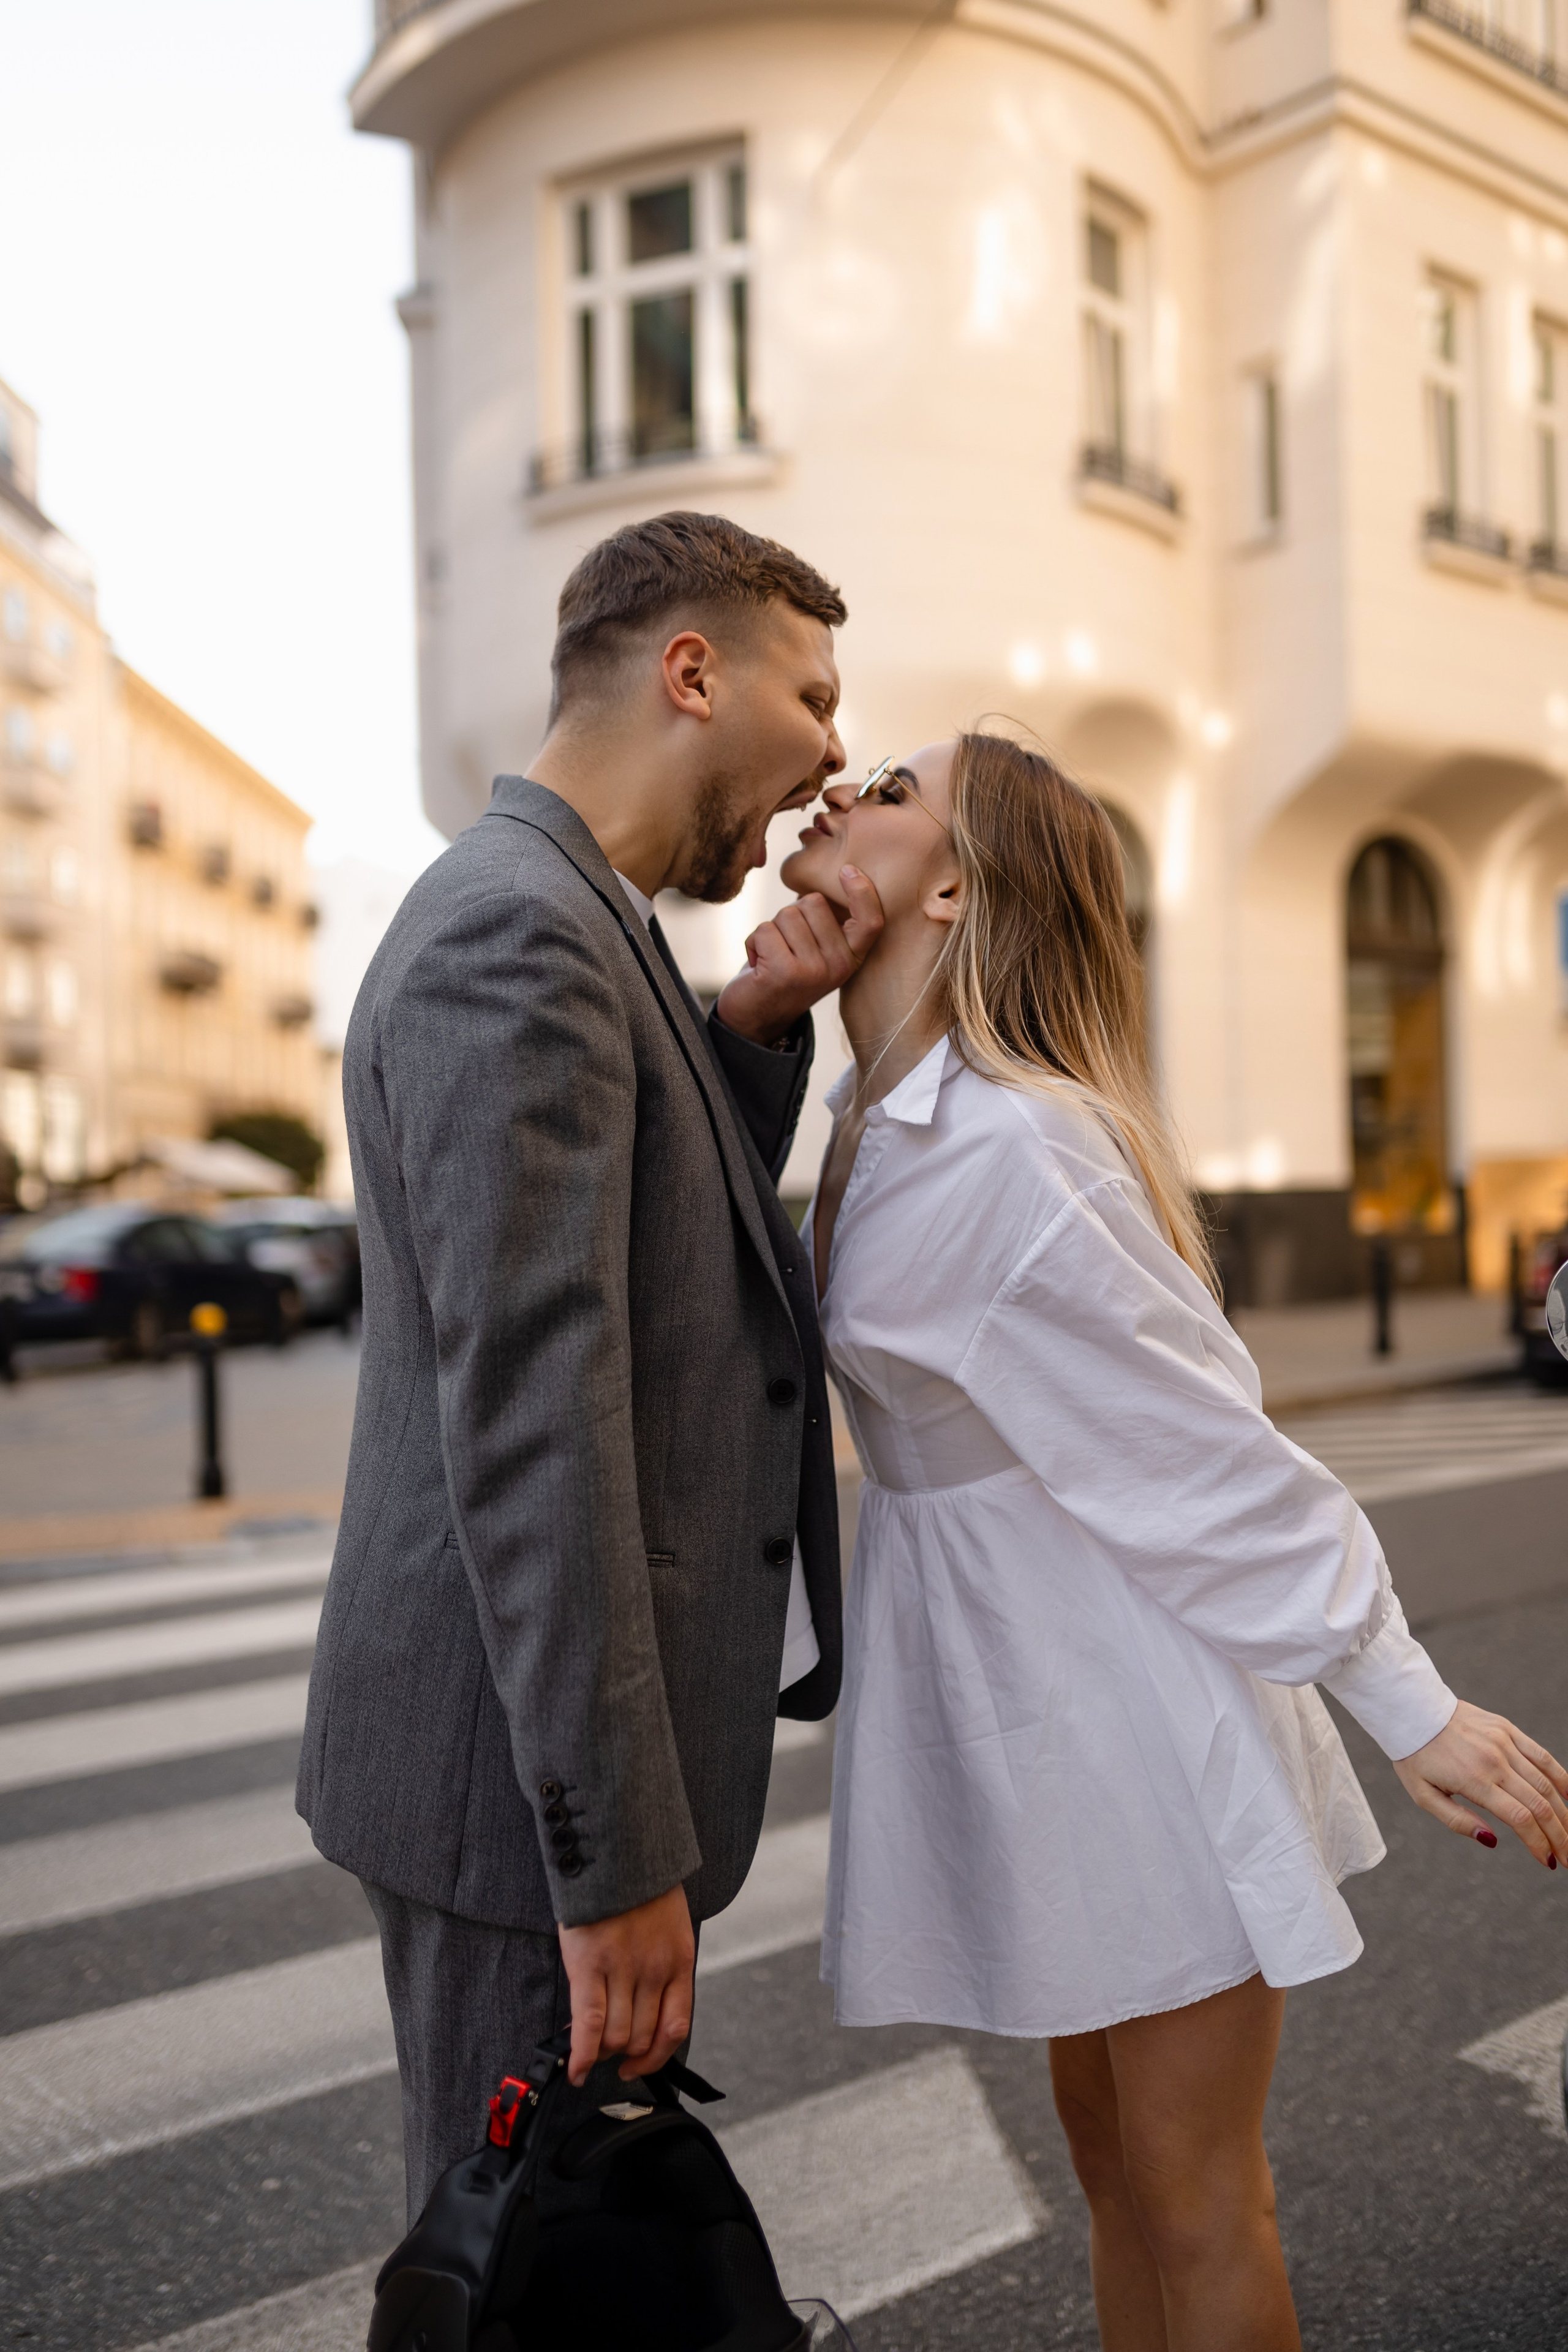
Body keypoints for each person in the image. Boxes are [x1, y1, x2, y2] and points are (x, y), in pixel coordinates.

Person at [774, 730, 1568, 2352]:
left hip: (1132, 1707)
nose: (841, 792)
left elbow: (1202, 1451)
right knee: (1111, 2166)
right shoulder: (872, 1120)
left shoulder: (1011, 1143)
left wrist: (1409, 1701)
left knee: (1198, 2195)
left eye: (897, 791)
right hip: (1022, 1695)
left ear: (954, 886)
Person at [298, 511, 884, 2222]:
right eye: (816, 693)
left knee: (563, 2264)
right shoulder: (522, 936)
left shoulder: (581, 915)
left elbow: (642, 1222)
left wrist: (757, 1033)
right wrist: (612, 1857)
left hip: (515, 1778)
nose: (835, 753)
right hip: (513, 1802)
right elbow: (537, 1423)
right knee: (514, 2276)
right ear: (691, 672)